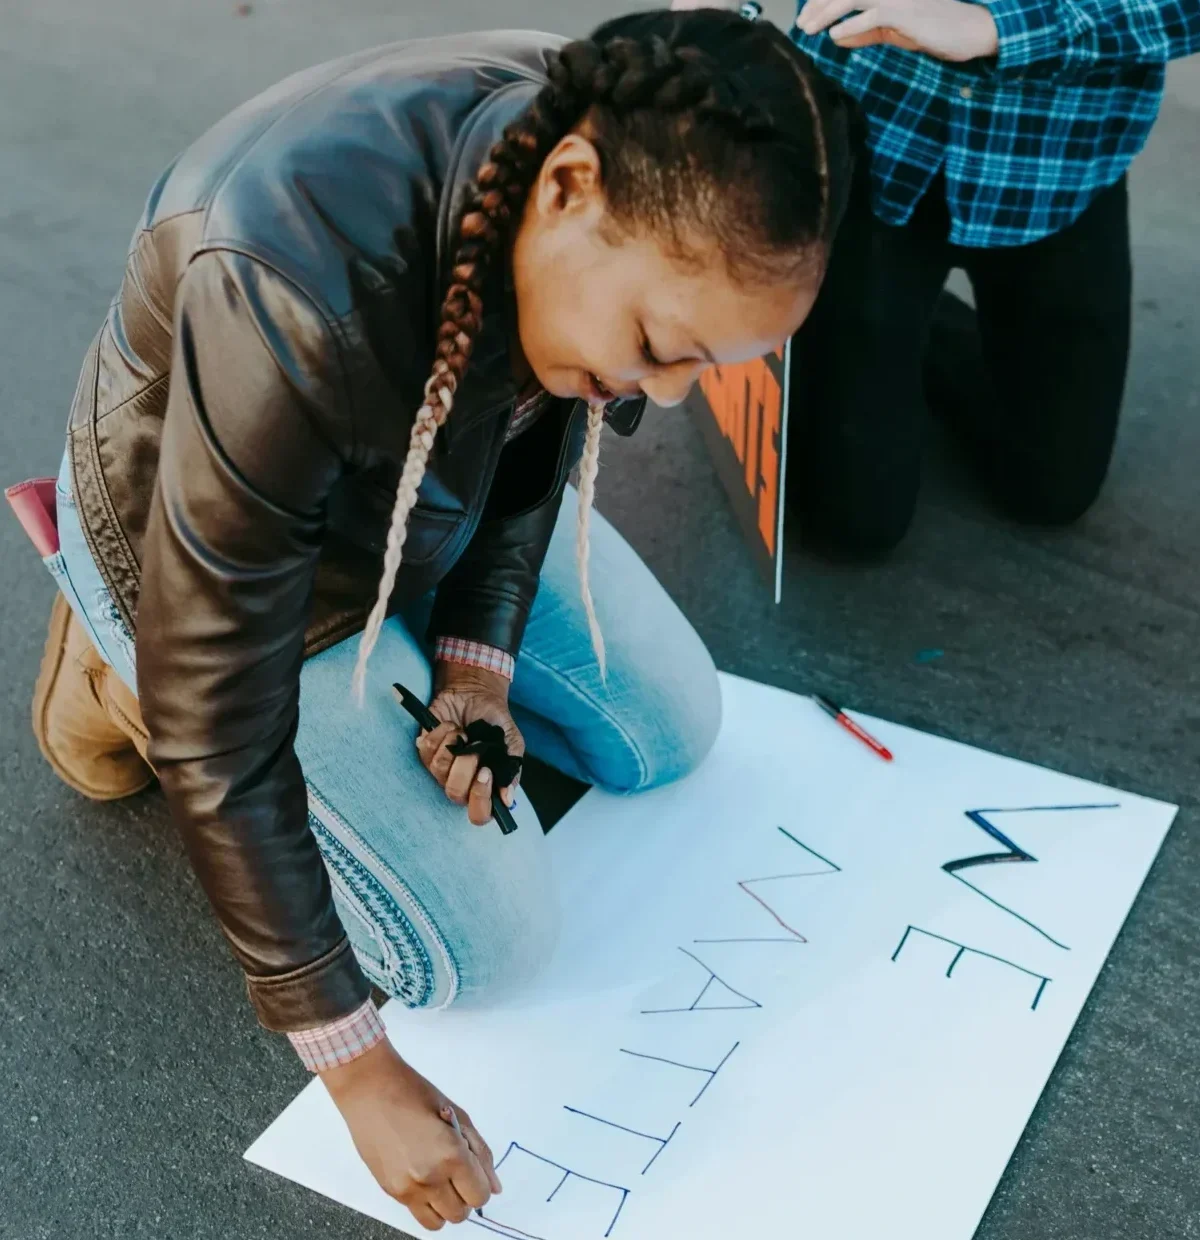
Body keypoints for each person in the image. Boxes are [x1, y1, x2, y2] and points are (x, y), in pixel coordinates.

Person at [27, 9, 856, 1231]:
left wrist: (475, 670)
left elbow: (535, 428)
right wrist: (354, 1063)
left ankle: (400, 664)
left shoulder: (580, 155)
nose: (669, 395)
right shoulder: (289, 287)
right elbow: (218, 701)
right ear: (570, 191)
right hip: (211, 566)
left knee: (670, 728)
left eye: (707, 364)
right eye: (656, 347)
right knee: (483, 951)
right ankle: (105, 670)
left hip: (421, 497)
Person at [678, 0, 1200, 554]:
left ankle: (900, 327)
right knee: (851, 527)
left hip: (1059, 164)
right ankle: (862, 319)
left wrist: (1000, 27)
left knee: (1052, 491)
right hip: (875, 129)